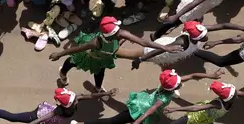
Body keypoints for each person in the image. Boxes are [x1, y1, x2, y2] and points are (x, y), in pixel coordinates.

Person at [68, 69, 221, 124]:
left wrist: (211, 76)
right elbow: (147, 114)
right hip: (141, 111)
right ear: (171, 88)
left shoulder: (167, 87)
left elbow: (193, 75)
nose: (181, 82)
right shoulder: (164, 97)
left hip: (143, 102)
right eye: (178, 83)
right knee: (112, 122)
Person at [50, 16, 179, 91]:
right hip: (90, 55)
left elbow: (143, 42)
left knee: (99, 72)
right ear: (112, 34)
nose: (120, 32)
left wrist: (164, 47)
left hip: (104, 56)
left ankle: (98, 89)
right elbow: (77, 49)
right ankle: (62, 73)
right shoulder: (95, 42)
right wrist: (60, 53)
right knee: (73, 61)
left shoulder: (122, 34)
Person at [133, 20, 244, 68]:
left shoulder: (199, 30)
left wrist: (242, 28)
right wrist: (140, 60)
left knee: (169, 64)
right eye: (203, 37)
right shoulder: (182, 42)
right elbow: (161, 50)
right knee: (129, 54)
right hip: (161, 52)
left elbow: (223, 25)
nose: (206, 37)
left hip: (175, 52)